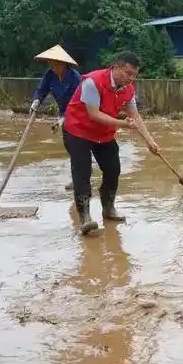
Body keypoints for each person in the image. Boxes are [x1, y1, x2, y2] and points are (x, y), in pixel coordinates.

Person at [63, 51, 161, 235]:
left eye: (134, 75)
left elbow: (135, 116)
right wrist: (122, 124)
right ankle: (85, 217)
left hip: (103, 134)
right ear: (115, 68)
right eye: (127, 73)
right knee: (82, 171)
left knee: (113, 169)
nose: (130, 78)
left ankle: (108, 209)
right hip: (78, 130)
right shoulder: (93, 81)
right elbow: (94, 114)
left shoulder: (128, 89)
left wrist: (150, 141)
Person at [29, 45, 82, 190]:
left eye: (56, 64)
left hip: (79, 114)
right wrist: (37, 101)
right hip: (63, 114)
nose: (53, 67)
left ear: (64, 64)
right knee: (69, 146)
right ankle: (78, 177)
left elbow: (76, 102)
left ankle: (80, 179)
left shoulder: (75, 78)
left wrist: (63, 119)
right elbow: (42, 89)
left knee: (77, 147)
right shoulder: (50, 74)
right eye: (51, 64)